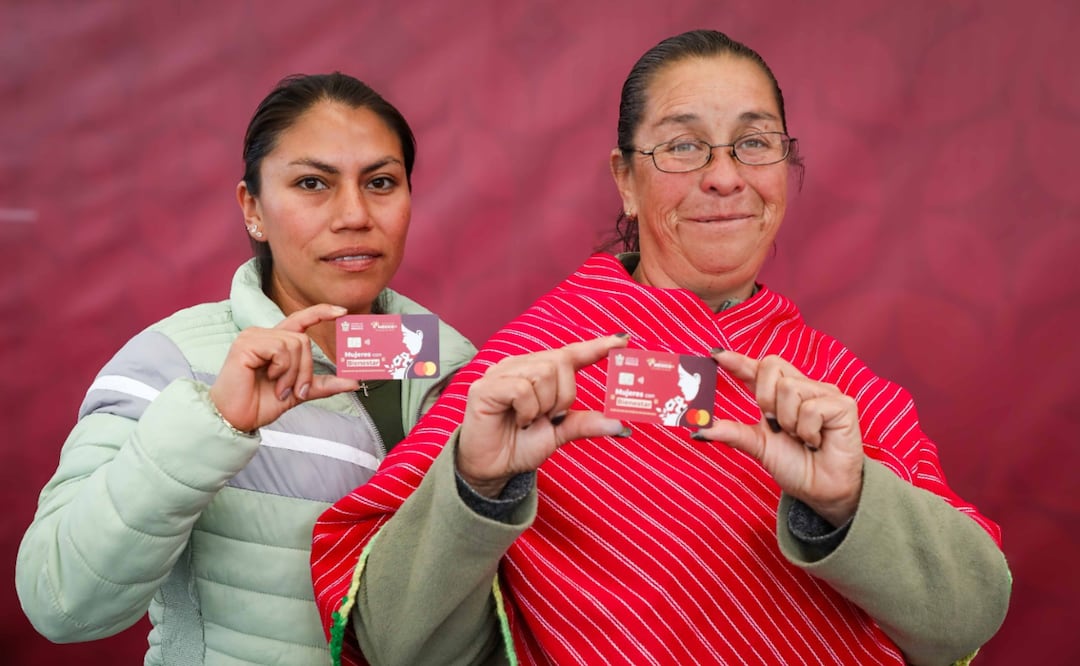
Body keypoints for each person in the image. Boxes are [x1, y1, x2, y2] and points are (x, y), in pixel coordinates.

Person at [310, 31, 1011, 666]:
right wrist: (478, 486)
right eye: (682, 146)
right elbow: (393, 641)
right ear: (625, 179)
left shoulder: (838, 392)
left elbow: (966, 618)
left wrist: (850, 501)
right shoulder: (530, 369)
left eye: (755, 142)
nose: (725, 176)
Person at [15, 72, 476, 665]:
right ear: (253, 208)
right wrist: (214, 424)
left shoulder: (454, 363)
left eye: (381, 182)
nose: (355, 214)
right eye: (313, 183)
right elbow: (60, 602)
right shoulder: (171, 362)